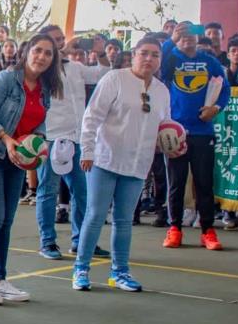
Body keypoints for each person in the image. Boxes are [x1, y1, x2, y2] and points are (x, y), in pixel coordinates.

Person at [73, 37, 172, 292]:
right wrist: (88, 150)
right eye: (144, 53)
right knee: (95, 215)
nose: (149, 59)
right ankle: (81, 269)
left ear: (160, 60)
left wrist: (170, 144)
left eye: (155, 55)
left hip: (137, 165)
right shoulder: (115, 78)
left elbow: (165, 128)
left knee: (124, 220)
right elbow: (91, 116)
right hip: (104, 159)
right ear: (134, 55)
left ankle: (120, 272)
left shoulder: (162, 90)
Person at [0, 33, 62, 305]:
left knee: (7, 220)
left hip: (17, 160)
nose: (42, 56)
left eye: (48, 53)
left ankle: (0, 279)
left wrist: (38, 142)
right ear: (26, 52)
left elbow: (40, 123)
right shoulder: (6, 79)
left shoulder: (46, 88)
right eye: (38, 50)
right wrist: (5, 138)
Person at [33, 24, 109, 261]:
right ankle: (47, 242)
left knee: (82, 191)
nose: (59, 43)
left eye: (61, 39)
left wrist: (100, 52)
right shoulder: (42, 70)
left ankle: (82, 240)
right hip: (52, 137)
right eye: (54, 40)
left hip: (77, 138)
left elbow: (102, 75)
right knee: (48, 191)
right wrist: (62, 50)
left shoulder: (75, 67)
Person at [161, 23, 230, 250]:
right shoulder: (170, 58)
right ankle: (175, 229)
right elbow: (158, 66)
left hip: (203, 131)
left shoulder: (209, 61)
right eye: (183, 35)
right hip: (175, 131)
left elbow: (225, 89)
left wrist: (215, 108)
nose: (188, 38)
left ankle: (208, 230)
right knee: (176, 183)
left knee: (204, 183)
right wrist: (172, 39)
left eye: (192, 34)